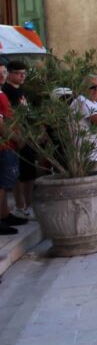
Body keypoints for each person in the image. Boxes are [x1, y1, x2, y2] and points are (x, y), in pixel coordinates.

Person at [4, 59, 35, 221]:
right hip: (16, 136)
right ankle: (19, 204)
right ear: (10, 73)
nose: (22, 76)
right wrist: (18, 134)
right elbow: (10, 117)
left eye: (24, 73)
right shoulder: (6, 91)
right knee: (18, 173)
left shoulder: (21, 91)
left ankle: (29, 204)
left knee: (29, 172)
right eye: (19, 73)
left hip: (29, 134)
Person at [0, 61, 25, 233]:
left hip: (10, 144)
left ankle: (5, 214)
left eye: (3, 71)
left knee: (7, 183)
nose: (1, 75)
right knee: (2, 184)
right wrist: (16, 137)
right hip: (4, 145)